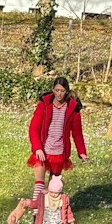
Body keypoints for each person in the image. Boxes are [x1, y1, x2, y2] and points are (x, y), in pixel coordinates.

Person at [26, 77, 87, 208]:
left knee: (54, 188)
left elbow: (77, 133)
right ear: (53, 90)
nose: (59, 94)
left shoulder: (72, 109)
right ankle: (36, 217)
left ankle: (49, 214)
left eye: (62, 91)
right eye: (57, 90)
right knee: (39, 185)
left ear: (67, 91)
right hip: (43, 150)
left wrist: (82, 152)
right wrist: (37, 148)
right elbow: (33, 128)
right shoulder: (44, 104)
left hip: (59, 152)